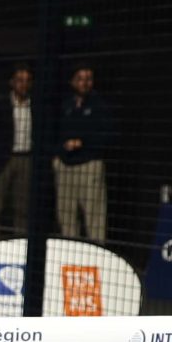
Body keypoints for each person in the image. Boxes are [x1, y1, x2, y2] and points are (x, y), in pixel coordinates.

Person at [54, 64, 114, 244]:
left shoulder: (100, 105)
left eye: (88, 79)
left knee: (94, 219)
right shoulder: (66, 105)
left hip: (89, 165)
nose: (85, 83)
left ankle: (96, 254)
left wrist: (83, 142)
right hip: (66, 166)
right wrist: (57, 156)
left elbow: (109, 135)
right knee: (66, 217)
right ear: (72, 81)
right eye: (80, 79)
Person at [0, 63, 36, 242]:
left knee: (22, 208)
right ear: (12, 82)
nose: (24, 84)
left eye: (27, 80)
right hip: (3, 159)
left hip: (26, 158)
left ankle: (21, 244)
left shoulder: (35, 105)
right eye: (20, 80)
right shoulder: (0, 104)